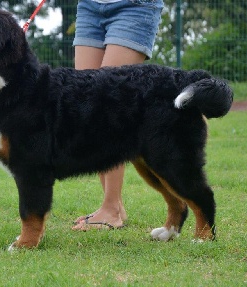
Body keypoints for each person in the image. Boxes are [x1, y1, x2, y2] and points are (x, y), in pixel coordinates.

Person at [72, 0, 164, 230]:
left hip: (134, 5)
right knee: (86, 106)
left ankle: (111, 209)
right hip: (90, 6)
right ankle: (113, 206)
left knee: (109, 106)